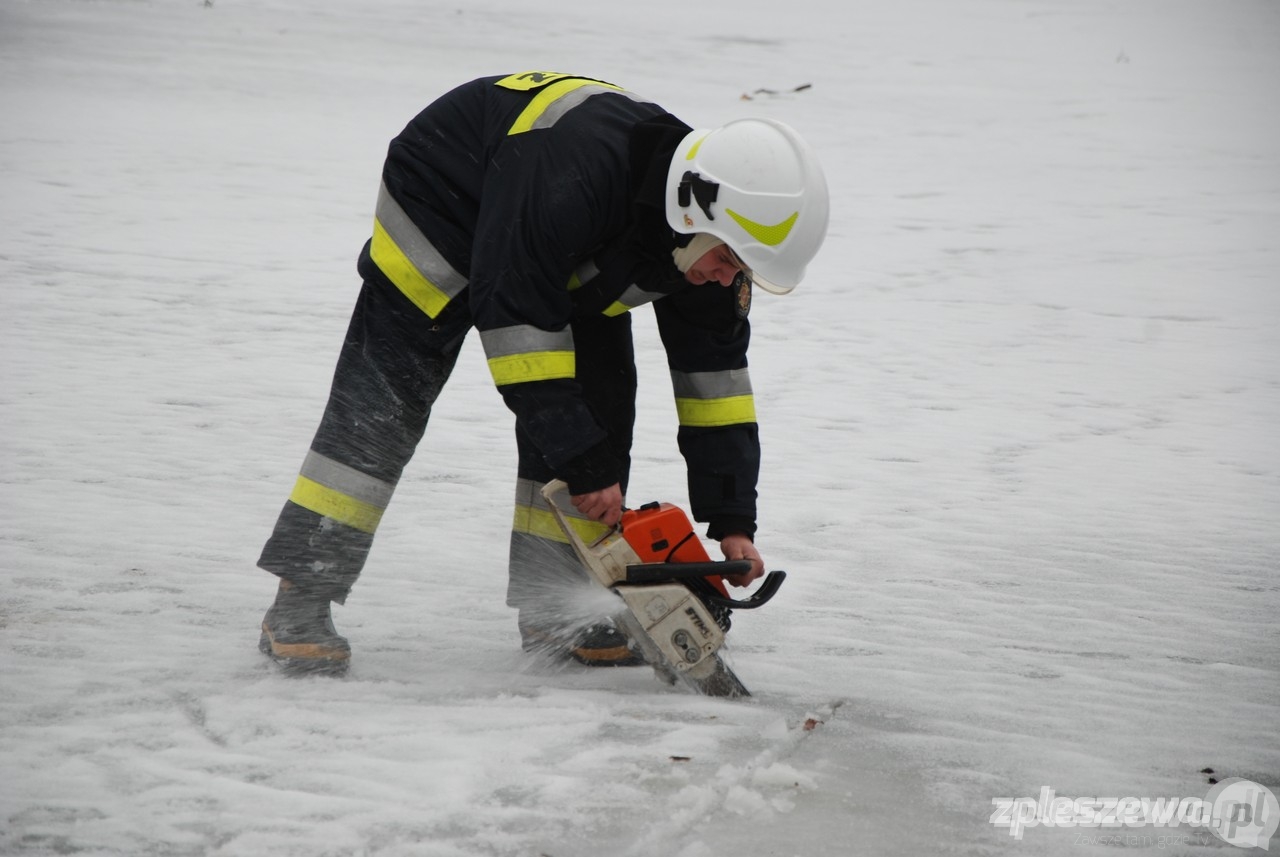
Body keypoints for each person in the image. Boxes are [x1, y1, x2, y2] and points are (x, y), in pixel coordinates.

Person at [256, 72, 829, 674]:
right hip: (448, 194)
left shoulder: (711, 230)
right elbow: (518, 329)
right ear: (693, 214)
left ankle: (553, 608)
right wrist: (582, 462)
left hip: (564, 240)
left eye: (742, 270)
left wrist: (733, 520)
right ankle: (300, 598)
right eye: (727, 260)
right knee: (382, 407)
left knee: (598, 410)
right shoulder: (574, 175)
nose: (727, 278)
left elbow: (717, 386)